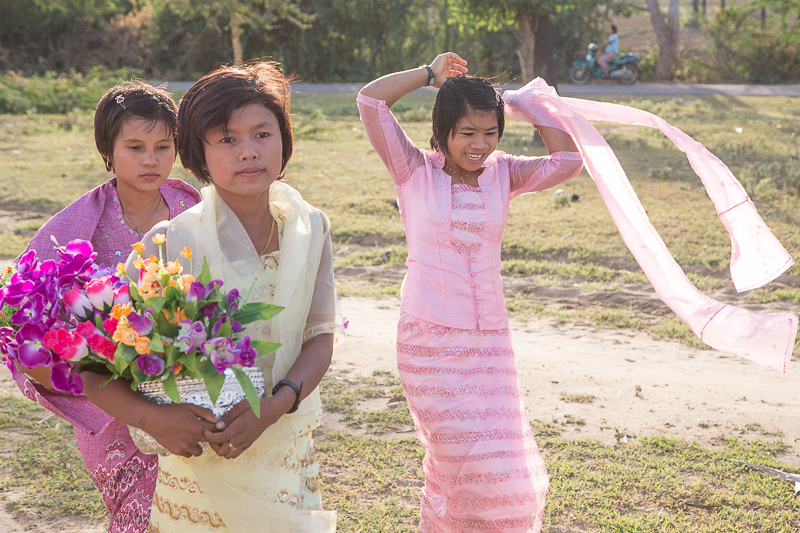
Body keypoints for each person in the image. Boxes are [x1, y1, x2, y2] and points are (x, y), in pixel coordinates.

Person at [357, 53, 582, 532]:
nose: (480, 146)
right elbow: (371, 101)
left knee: (499, 467)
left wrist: (535, 109)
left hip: (490, 345)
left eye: (490, 133)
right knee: (458, 461)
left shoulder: (505, 173)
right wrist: (427, 75)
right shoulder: (413, 170)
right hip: (428, 341)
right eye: (467, 134)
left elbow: (567, 161)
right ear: (442, 133)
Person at [126, 61, 343, 532]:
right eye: (227, 139)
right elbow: (128, 361)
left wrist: (273, 407)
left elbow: (320, 337)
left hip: (284, 446)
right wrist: (169, 421)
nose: (248, 152)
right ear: (197, 158)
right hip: (201, 464)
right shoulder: (167, 246)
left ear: (284, 141)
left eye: (263, 134)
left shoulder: (311, 229)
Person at [11, 81, 203, 532]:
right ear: (108, 150)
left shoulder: (193, 209)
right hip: (111, 407)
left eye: (163, 146)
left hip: (189, 396)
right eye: (134, 146)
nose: (150, 159)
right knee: (140, 515)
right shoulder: (74, 226)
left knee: (198, 516)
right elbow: (23, 319)